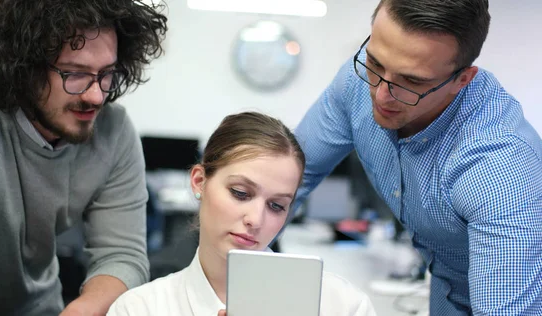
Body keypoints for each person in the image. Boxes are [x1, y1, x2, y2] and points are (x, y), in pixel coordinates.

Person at [293, 0, 542, 315]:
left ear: (462, 80)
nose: (381, 94)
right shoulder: (357, 83)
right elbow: (290, 180)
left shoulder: (499, 167)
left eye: (412, 82)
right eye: (375, 63)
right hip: (445, 286)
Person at [0, 0, 168, 315]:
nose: (96, 96)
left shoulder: (114, 132)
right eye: (75, 74)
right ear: (23, 66)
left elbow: (122, 257)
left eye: (106, 74)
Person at [106, 112, 377, 316]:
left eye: (276, 206)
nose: (256, 219)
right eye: (240, 193)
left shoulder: (344, 306)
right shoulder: (139, 309)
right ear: (200, 181)